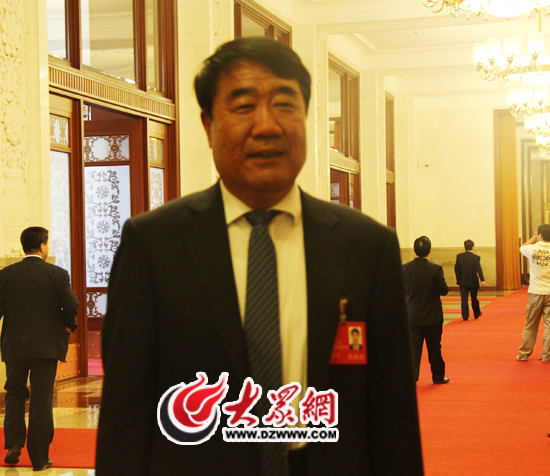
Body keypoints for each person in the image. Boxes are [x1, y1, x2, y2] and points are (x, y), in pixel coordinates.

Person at [96, 37, 424, 476]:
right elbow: (126, 412)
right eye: (244, 106)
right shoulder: (153, 244)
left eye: (285, 104)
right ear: (208, 124)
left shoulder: (368, 246)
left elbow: (393, 413)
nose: (267, 125)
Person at [0, 227, 79, 471]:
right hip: (46, 347)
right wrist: (69, 324)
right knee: (41, 399)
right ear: (43, 246)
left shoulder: (6, 274)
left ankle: (14, 444)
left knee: (14, 393)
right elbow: (71, 304)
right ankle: (39, 458)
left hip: (15, 346)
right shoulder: (58, 274)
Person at [402, 236, 450, 385]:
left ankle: (411, 379)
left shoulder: (405, 269)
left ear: (414, 250)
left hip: (413, 316)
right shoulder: (435, 269)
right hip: (432, 316)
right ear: (429, 251)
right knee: (434, 348)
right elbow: (443, 291)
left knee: (413, 350)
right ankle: (437, 377)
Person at [517, 224, 550, 361]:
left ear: (540, 235)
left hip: (536, 292)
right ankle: (547, 355)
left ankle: (524, 354)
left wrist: (534, 237)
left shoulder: (532, 249)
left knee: (531, 324)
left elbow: (522, 247)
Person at [454, 239, 485, 321]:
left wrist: (458, 279)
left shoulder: (459, 257)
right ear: (472, 247)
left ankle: (465, 315)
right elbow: (478, 269)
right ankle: (476, 313)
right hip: (473, 281)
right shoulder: (475, 258)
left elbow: (456, 269)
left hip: (463, 281)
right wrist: (482, 279)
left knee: (464, 299)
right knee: (474, 298)